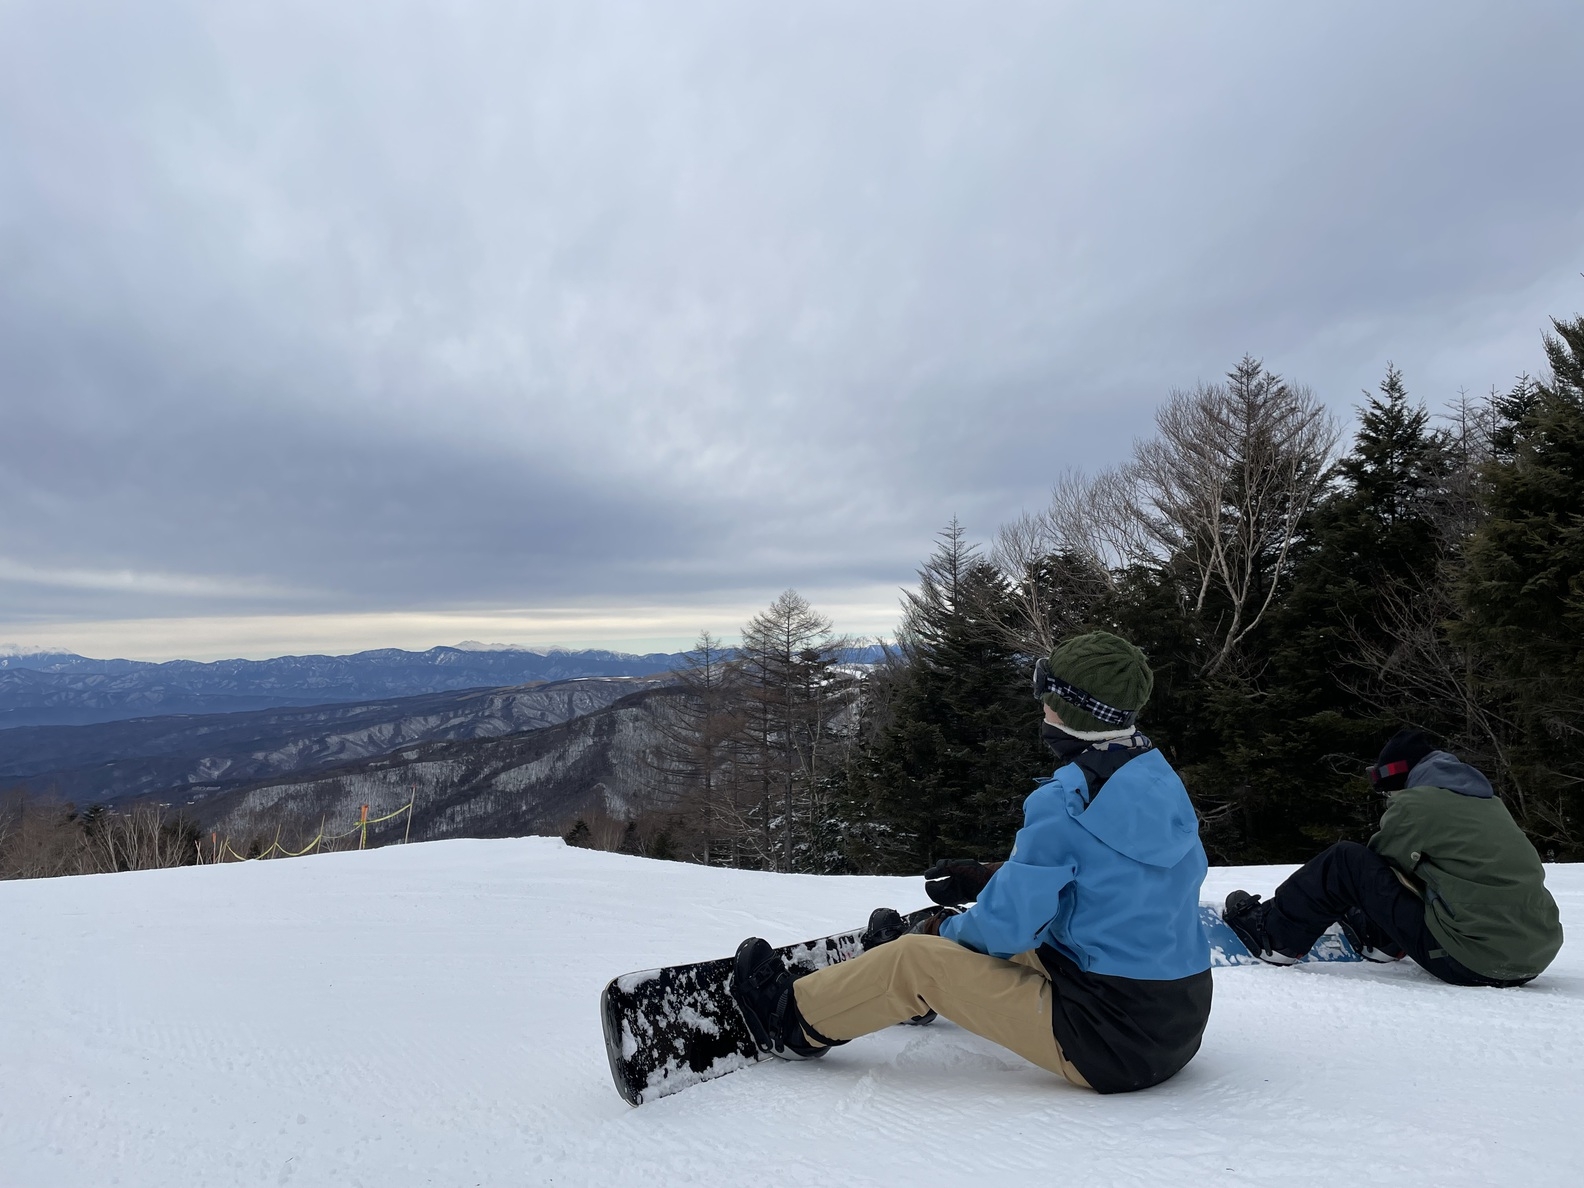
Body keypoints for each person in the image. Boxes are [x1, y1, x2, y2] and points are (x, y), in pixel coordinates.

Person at [731, 630, 1214, 1095]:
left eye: (1044, 687)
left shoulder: (1067, 802)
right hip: (1175, 1021)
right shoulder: (1155, 779)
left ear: (1066, 705)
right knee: (1004, 937)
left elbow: (1006, 929)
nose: (1040, 701)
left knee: (916, 961)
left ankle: (790, 1020)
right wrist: (990, 880)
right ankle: (899, 986)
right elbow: (1113, 881)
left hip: (1107, 1043)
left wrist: (941, 937)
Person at [1222, 728, 1564, 987]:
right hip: (1533, 956)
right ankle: (1383, 941)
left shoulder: (1418, 803)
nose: (1389, 797)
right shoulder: (1489, 804)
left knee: (1346, 861)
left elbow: (1378, 867)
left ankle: (1274, 937)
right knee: (1434, 870)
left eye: (1388, 789)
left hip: (1469, 960)